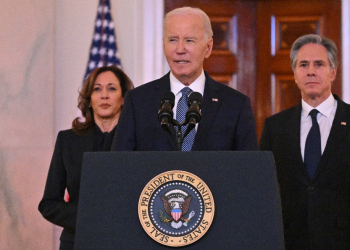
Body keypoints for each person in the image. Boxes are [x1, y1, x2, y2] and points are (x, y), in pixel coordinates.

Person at [111, 7, 258, 151]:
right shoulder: (137, 101)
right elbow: (120, 167)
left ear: (208, 47)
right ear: (164, 45)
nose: (180, 49)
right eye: (173, 40)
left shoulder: (235, 105)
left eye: (189, 40)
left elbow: (248, 170)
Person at [260, 34, 350, 250]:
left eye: (319, 64)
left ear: (333, 72)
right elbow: (264, 189)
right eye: (303, 65)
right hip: (289, 241)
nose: (311, 71)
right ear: (295, 74)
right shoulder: (275, 127)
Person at [38, 65, 133, 250]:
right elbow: (48, 204)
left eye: (112, 88)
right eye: (97, 89)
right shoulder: (68, 141)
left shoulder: (139, 141)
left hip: (125, 242)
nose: (104, 95)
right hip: (77, 242)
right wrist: (90, 216)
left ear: (124, 98)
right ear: (89, 99)